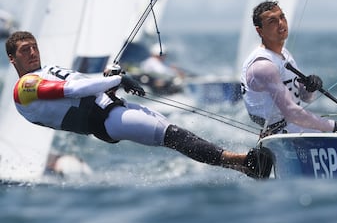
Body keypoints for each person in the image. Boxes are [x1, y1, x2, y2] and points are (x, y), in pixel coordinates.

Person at [6, 31, 273, 179]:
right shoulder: (24, 89)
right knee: (172, 136)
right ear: (12, 58)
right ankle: (241, 161)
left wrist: (109, 79)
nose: (32, 52)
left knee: (174, 131)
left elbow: (82, 84)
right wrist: (119, 79)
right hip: (106, 121)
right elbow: (71, 90)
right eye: (24, 50)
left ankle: (244, 166)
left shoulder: (47, 69)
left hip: (113, 106)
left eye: (33, 47)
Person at [240, 0, 337, 137]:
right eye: (272, 21)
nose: (281, 23)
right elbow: (291, 112)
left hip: (296, 129)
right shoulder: (263, 66)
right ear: (259, 30)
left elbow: (305, 98)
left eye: (282, 17)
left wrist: (309, 87)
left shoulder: (284, 54)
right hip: (280, 136)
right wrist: (335, 126)